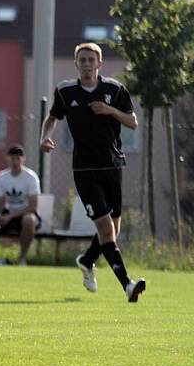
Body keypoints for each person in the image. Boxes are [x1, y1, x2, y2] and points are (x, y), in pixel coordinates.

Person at [39, 42, 146, 302]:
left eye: (91, 60)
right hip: (85, 170)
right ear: (76, 64)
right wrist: (45, 138)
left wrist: (109, 110)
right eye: (82, 60)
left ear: (100, 64)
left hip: (112, 166)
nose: (86, 64)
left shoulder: (114, 89)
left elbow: (132, 121)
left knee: (113, 230)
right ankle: (128, 285)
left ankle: (87, 261)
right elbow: (52, 117)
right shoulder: (66, 91)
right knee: (106, 229)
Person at [0, 145, 41, 266]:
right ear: (7, 159)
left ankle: (22, 258)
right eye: (12, 159)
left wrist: (10, 216)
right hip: (7, 214)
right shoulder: (2, 177)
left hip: (24, 215)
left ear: (23, 160)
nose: (15, 162)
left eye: (18, 159)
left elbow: (33, 206)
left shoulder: (31, 177)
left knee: (29, 220)